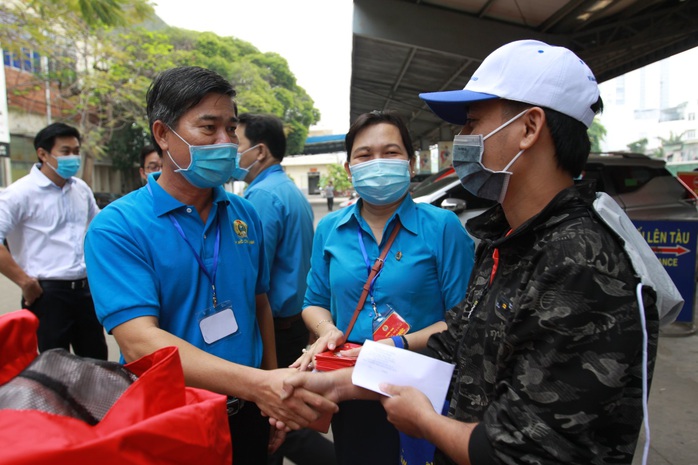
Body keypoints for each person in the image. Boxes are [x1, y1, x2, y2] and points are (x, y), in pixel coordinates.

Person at [281, 40, 682, 465]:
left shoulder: (578, 263)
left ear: (529, 128)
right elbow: (456, 344)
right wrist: (342, 382)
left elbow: (532, 449)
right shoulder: (508, 243)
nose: (463, 140)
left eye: (472, 123)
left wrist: (427, 422)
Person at [83, 66, 335, 465]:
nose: (226, 142)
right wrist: (261, 384)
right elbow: (138, 342)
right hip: (170, 420)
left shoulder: (243, 214)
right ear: (163, 134)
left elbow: (260, 305)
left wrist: (270, 395)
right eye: (208, 128)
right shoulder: (118, 227)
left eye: (231, 129)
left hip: (248, 411)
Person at [293, 110, 475, 465]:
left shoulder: (442, 227)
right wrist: (326, 330)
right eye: (364, 154)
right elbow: (313, 302)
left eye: (390, 152)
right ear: (349, 168)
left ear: (409, 163)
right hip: (350, 384)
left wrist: (395, 344)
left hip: (423, 386)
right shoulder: (330, 228)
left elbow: (464, 320)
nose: (377, 162)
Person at [231, 112, 336, 465]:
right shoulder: (287, 190)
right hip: (289, 321)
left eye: (236, 141)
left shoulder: (259, 198)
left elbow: (250, 272)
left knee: (275, 424)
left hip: (273, 327)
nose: (229, 148)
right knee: (284, 419)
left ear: (259, 152)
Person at [0, 122, 108, 360]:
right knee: (53, 365)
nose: (74, 158)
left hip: (85, 290)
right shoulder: (20, 193)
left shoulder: (81, 189)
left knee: (96, 362)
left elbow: (100, 230)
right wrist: (25, 282)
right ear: (43, 154)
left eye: (76, 151)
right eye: (65, 151)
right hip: (47, 293)